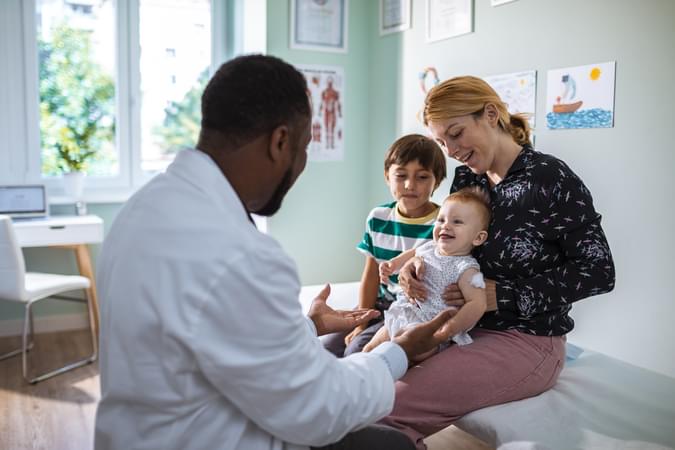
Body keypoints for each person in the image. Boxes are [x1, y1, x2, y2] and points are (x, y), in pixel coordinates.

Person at [93, 54, 458, 450]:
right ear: (280, 141)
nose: (300, 165)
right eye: (304, 148)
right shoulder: (242, 255)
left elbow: (215, 334)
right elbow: (317, 411)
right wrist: (399, 351)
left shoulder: (143, 209)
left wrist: (310, 325)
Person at [379, 75, 615, 449]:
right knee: (365, 386)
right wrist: (417, 264)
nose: (451, 149)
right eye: (442, 141)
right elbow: (451, 240)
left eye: (456, 133)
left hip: (526, 339)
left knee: (387, 408)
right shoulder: (467, 178)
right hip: (462, 328)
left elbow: (598, 271)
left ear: (490, 114)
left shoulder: (550, 179)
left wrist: (501, 295)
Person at [321, 134, 447, 358]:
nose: (410, 185)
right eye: (401, 175)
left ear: (437, 181)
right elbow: (370, 275)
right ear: (387, 176)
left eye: (422, 177)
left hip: (410, 311)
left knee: (357, 351)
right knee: (325, 348)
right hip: (379, 305)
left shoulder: (441, 225)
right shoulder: (378, 218)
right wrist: (361, 319)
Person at [362, 187, 490, 362]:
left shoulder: (467, 268)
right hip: (403, 313)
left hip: (428, 328)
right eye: (441, 220)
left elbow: (478, 304)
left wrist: (450, 328)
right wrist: (392, 265)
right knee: (368, 349)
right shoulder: (430, 247)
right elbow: (410, 254)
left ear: (478, 238)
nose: (445, 225)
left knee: (396, 357)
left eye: (457, 222)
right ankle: (356, 382)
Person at [319, 76, 342, 149]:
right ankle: (327, 144)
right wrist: (320, 110)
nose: (329, 84)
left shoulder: (335, 93)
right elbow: (322, 102)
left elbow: (338, 103)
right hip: (326, 111)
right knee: (326, 128)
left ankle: (332, 144)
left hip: (333, 112)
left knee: (332, 128)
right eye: (328, 82)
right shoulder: (324, 92)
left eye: (330, 82)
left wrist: (340, 112)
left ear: (332, 83)